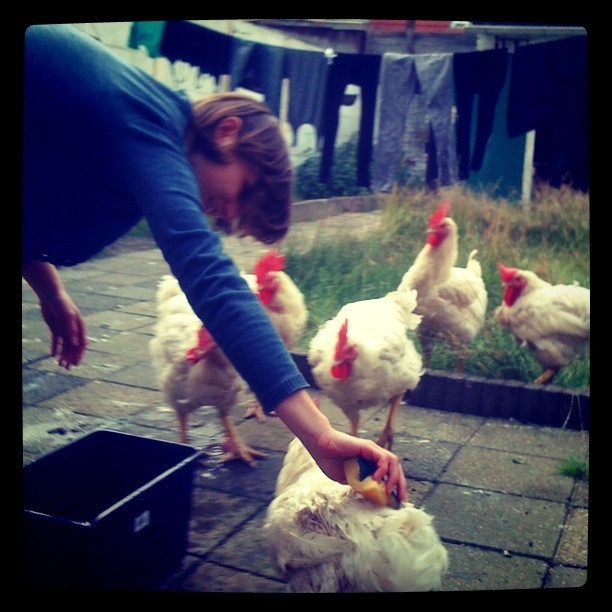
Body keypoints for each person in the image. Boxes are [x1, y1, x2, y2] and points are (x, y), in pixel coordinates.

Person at [22, 23, 407, 501]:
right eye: (242, 193)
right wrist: (318, 433)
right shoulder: (151, 124)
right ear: (228, 133)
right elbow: (213, 282)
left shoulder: (140, 144)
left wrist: (50, 291)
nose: (226, 215)